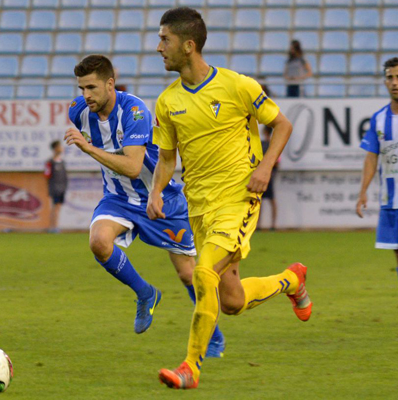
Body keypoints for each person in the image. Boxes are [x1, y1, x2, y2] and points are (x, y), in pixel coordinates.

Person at [147, 8, 312, 389]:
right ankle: (292, 281)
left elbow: (282, 124)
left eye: (164, 40)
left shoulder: (239, 86)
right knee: (233, 301)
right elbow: (168, 158)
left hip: (239, 198)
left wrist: (266, 167)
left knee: (202, 272)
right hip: (199, 208)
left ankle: (191, 367)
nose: (159, 48)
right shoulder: (167, 101)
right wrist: (155, 191)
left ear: (189, 46)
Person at [65, 54, 226, 356]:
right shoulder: (78, 111)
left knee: (187, 273)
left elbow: (133, 167)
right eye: (81, 88)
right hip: (118, 198)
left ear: (110, 84)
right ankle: (146, 293)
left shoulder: (135, 111)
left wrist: (87, 149)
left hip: (159, 198)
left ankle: (213, 336)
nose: (85, 95)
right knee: (99, 242)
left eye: (92, 87)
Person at [357, 57, 398, 278]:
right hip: (392, 202)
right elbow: (371, 158)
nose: (395, 82)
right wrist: (363, 191)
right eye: (390, 77)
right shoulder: (379, 119)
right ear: (385, 82)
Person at [44, 140, 68, 233]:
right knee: (55, 207)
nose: (61, 148)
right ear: (55, 148)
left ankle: (55, 226)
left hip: (62, 188)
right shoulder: (50, 162)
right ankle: (52, 227)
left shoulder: (62, 162)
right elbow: (47, 175)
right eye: (59, 146)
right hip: (54, 187)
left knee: (58, 207)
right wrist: (50, 187)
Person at [260, 126, 278, 230]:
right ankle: (272, 224)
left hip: (264, 175)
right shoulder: (273, 144)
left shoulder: (264, 144)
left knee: (262, 200)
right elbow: (277, 161)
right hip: (269, 174)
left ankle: (259, 224)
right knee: (270, 200)